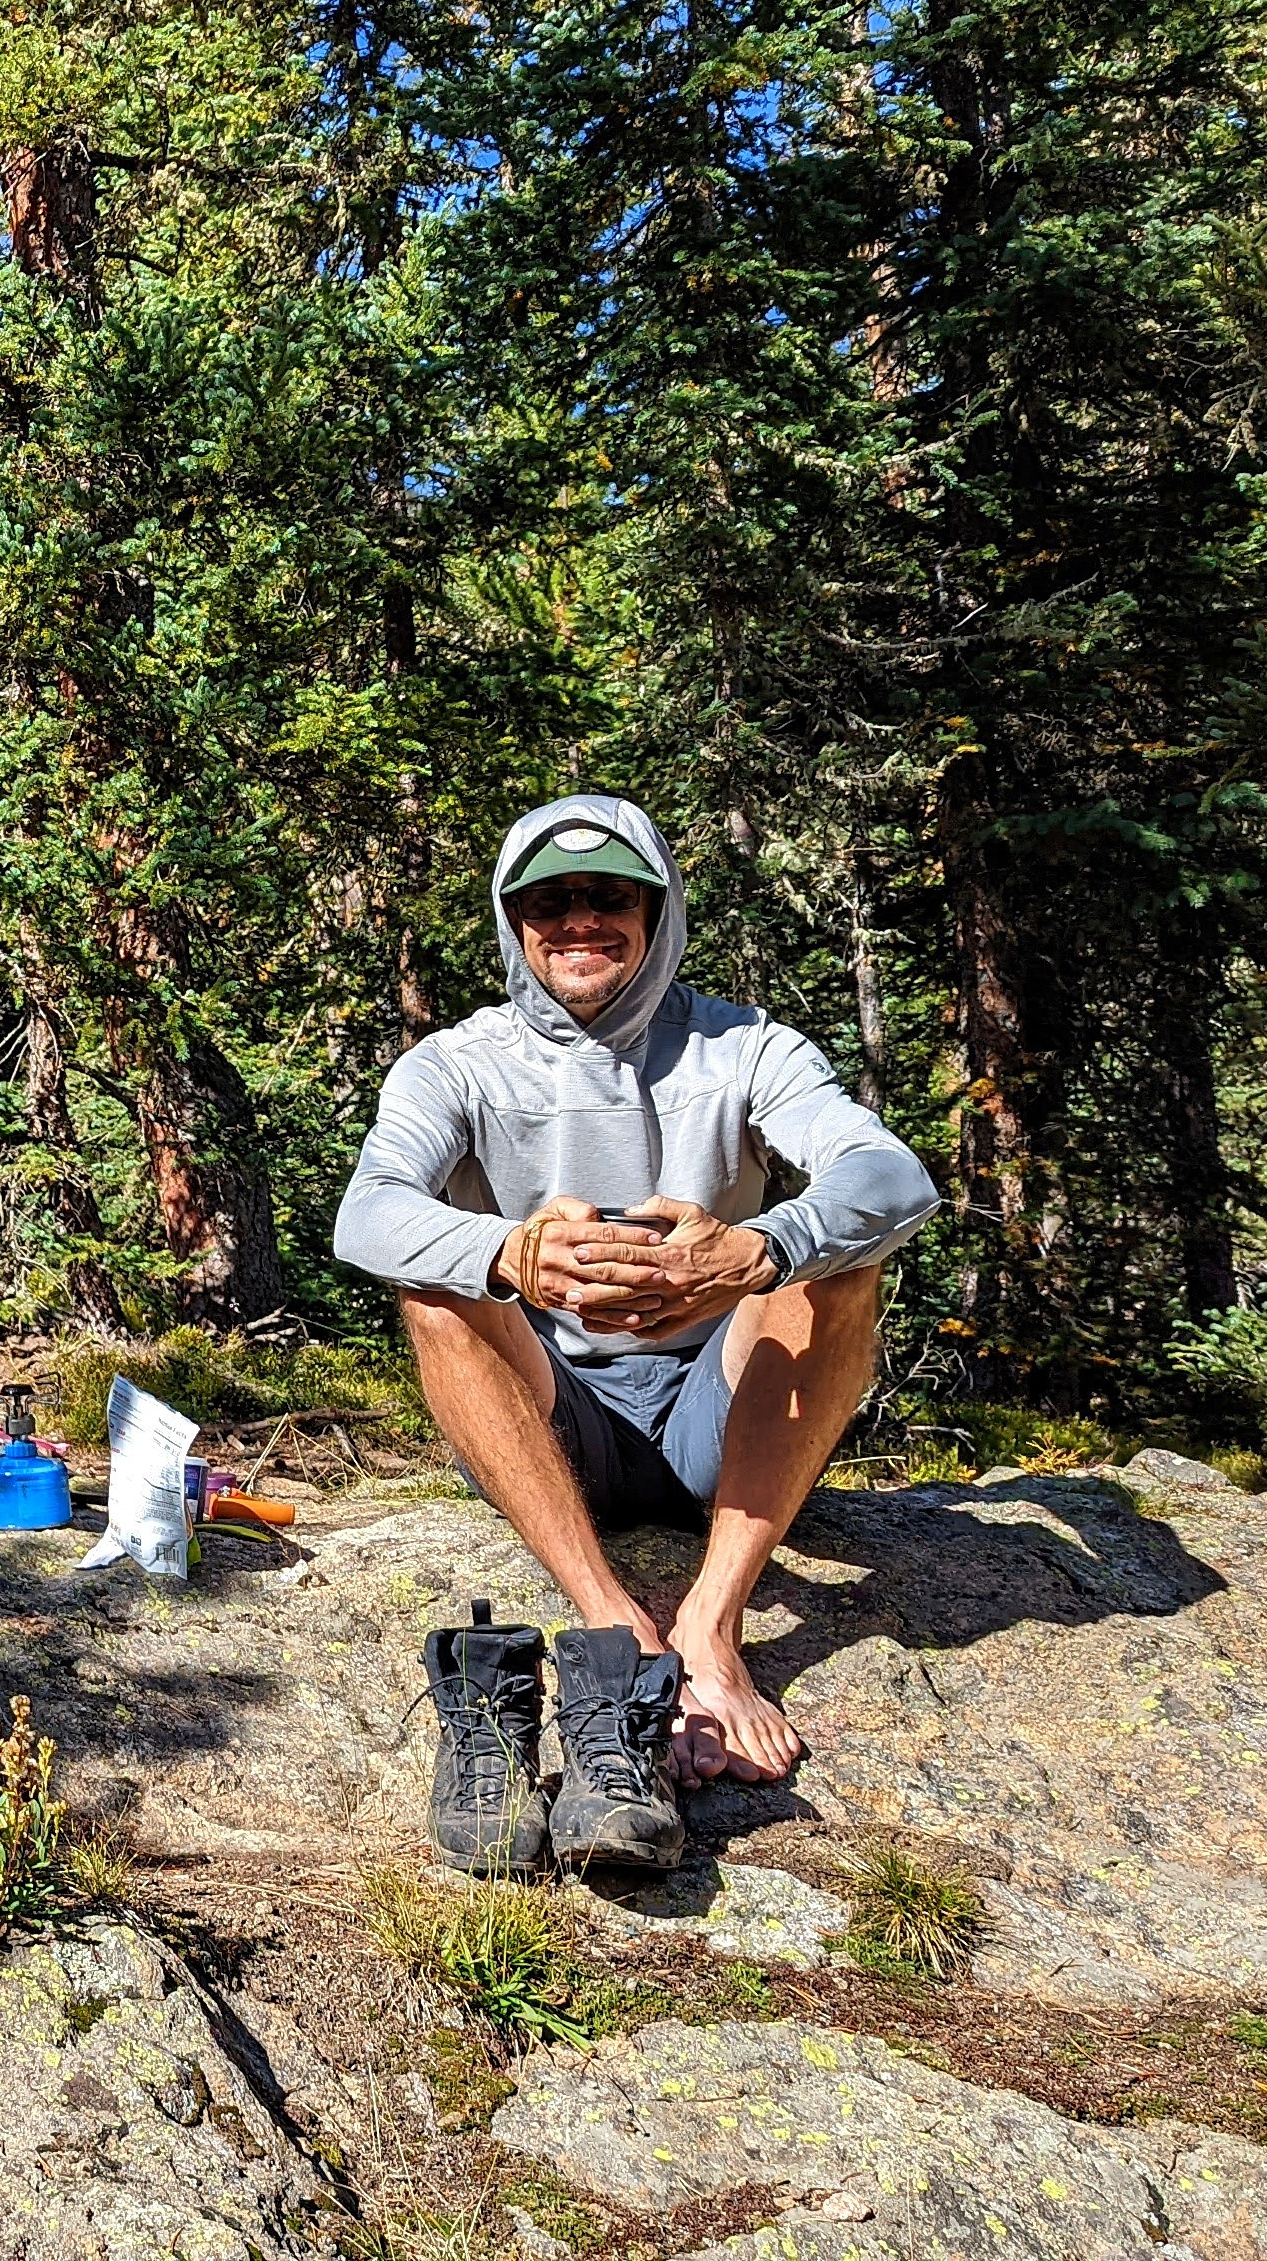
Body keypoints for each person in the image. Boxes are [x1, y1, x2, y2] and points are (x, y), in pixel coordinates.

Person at [334, 795, 937, 1873]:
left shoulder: (745, 1047)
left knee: (841, 1266)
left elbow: (894, 1177)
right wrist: (508, 1253)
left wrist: (760, 1249)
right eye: (549, 901)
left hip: (723, 1416)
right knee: (433, 1284)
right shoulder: (456, 1065)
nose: (579, 921)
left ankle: (712, 1622)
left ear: (658, 911)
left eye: (609, 896)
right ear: (511, 921)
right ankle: (619, 1628)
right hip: (557, 1430)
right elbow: (365, 1212)